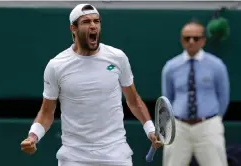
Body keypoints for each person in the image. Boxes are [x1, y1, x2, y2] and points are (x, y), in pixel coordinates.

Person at [20, 3, 161, 166]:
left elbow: (134, 101)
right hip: (74, 158)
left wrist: (150, 131)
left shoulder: (118, 58)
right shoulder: (56, 66)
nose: (93, 26)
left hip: (116, 155)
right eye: (86, 22)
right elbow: (46, 112)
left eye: (97, 21)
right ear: (73, 28)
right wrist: (33, 136)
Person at [162, 20, 230, 166]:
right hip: (179, 126)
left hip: (208, 124)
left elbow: (223, 95)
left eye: (196, 38)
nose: (191, 42)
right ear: (181, 40)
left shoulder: (216, 65)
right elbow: (168, 96)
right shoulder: (171, 67)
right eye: (187, 38)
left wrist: (215, 119)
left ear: (203, 40)